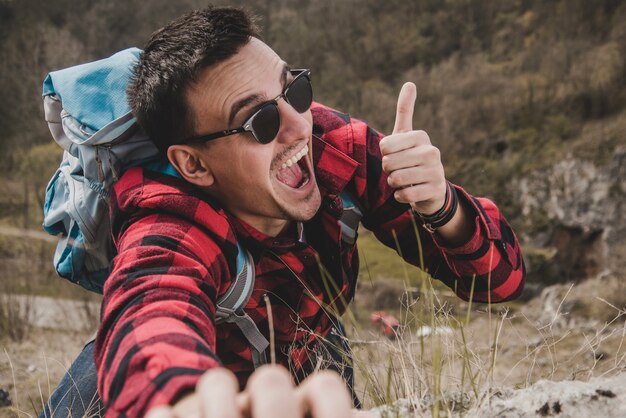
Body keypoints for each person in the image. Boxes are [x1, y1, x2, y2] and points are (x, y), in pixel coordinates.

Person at [46, 5, 525, 418]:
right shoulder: (169, 217)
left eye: (294, 90)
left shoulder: (339, 150)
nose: (299, 127)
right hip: (200, 371)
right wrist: (185, 399)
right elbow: (150, 307)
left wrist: (443, 207)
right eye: (259, 121)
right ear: (192, 163)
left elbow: (502, 281)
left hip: (311, 345)